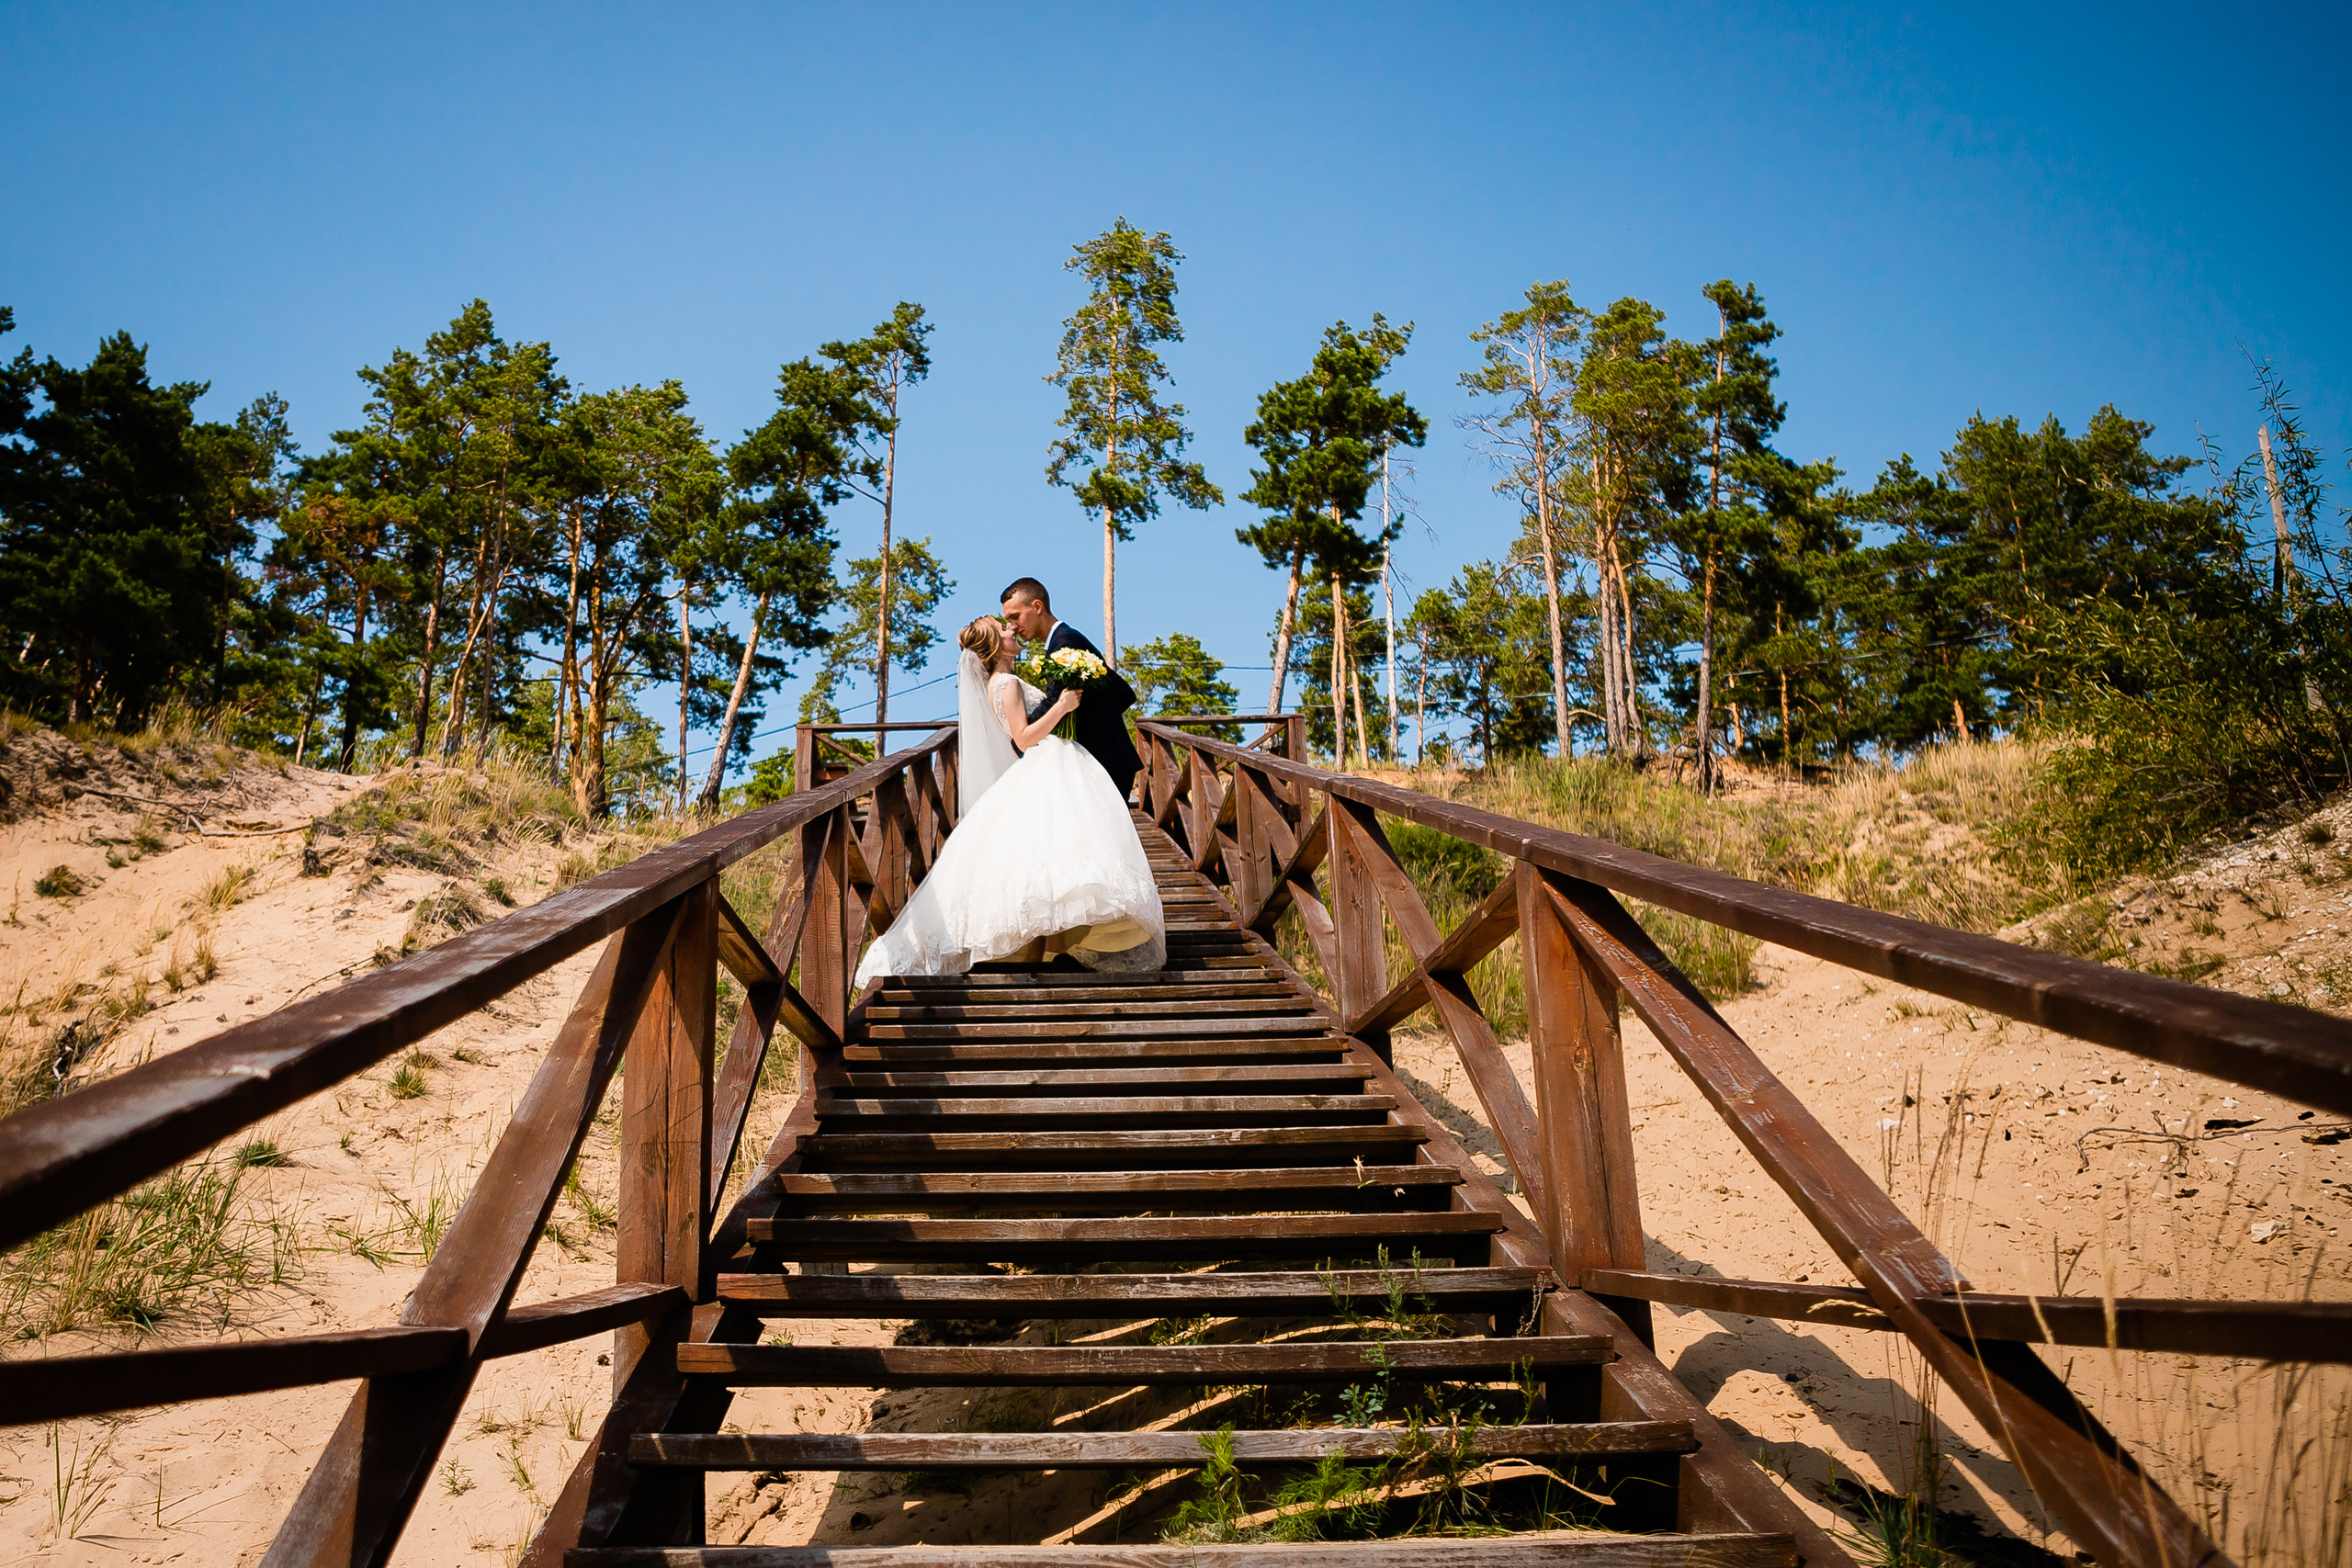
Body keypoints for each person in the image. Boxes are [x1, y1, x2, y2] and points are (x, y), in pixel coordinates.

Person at [851, 616, 1166, 983]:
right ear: (994, 647)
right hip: (1045, 760)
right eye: (1003, 629)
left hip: (1050, 763)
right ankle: (1045, 945)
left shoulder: (999, 682)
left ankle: (1047, 944)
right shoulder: (1008, 684)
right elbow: (1023, 738)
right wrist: (1063, 706)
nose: (1011, 631)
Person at [1000, 576, 1143, 803]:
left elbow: (1054, 703)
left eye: (1015, 617)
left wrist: (1020, 739)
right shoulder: (1065, 640)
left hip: (1104, 763)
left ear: (1037, 606)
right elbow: (1123, 692)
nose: (1014, 627)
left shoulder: (1064, 643)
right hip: (1103, 760)